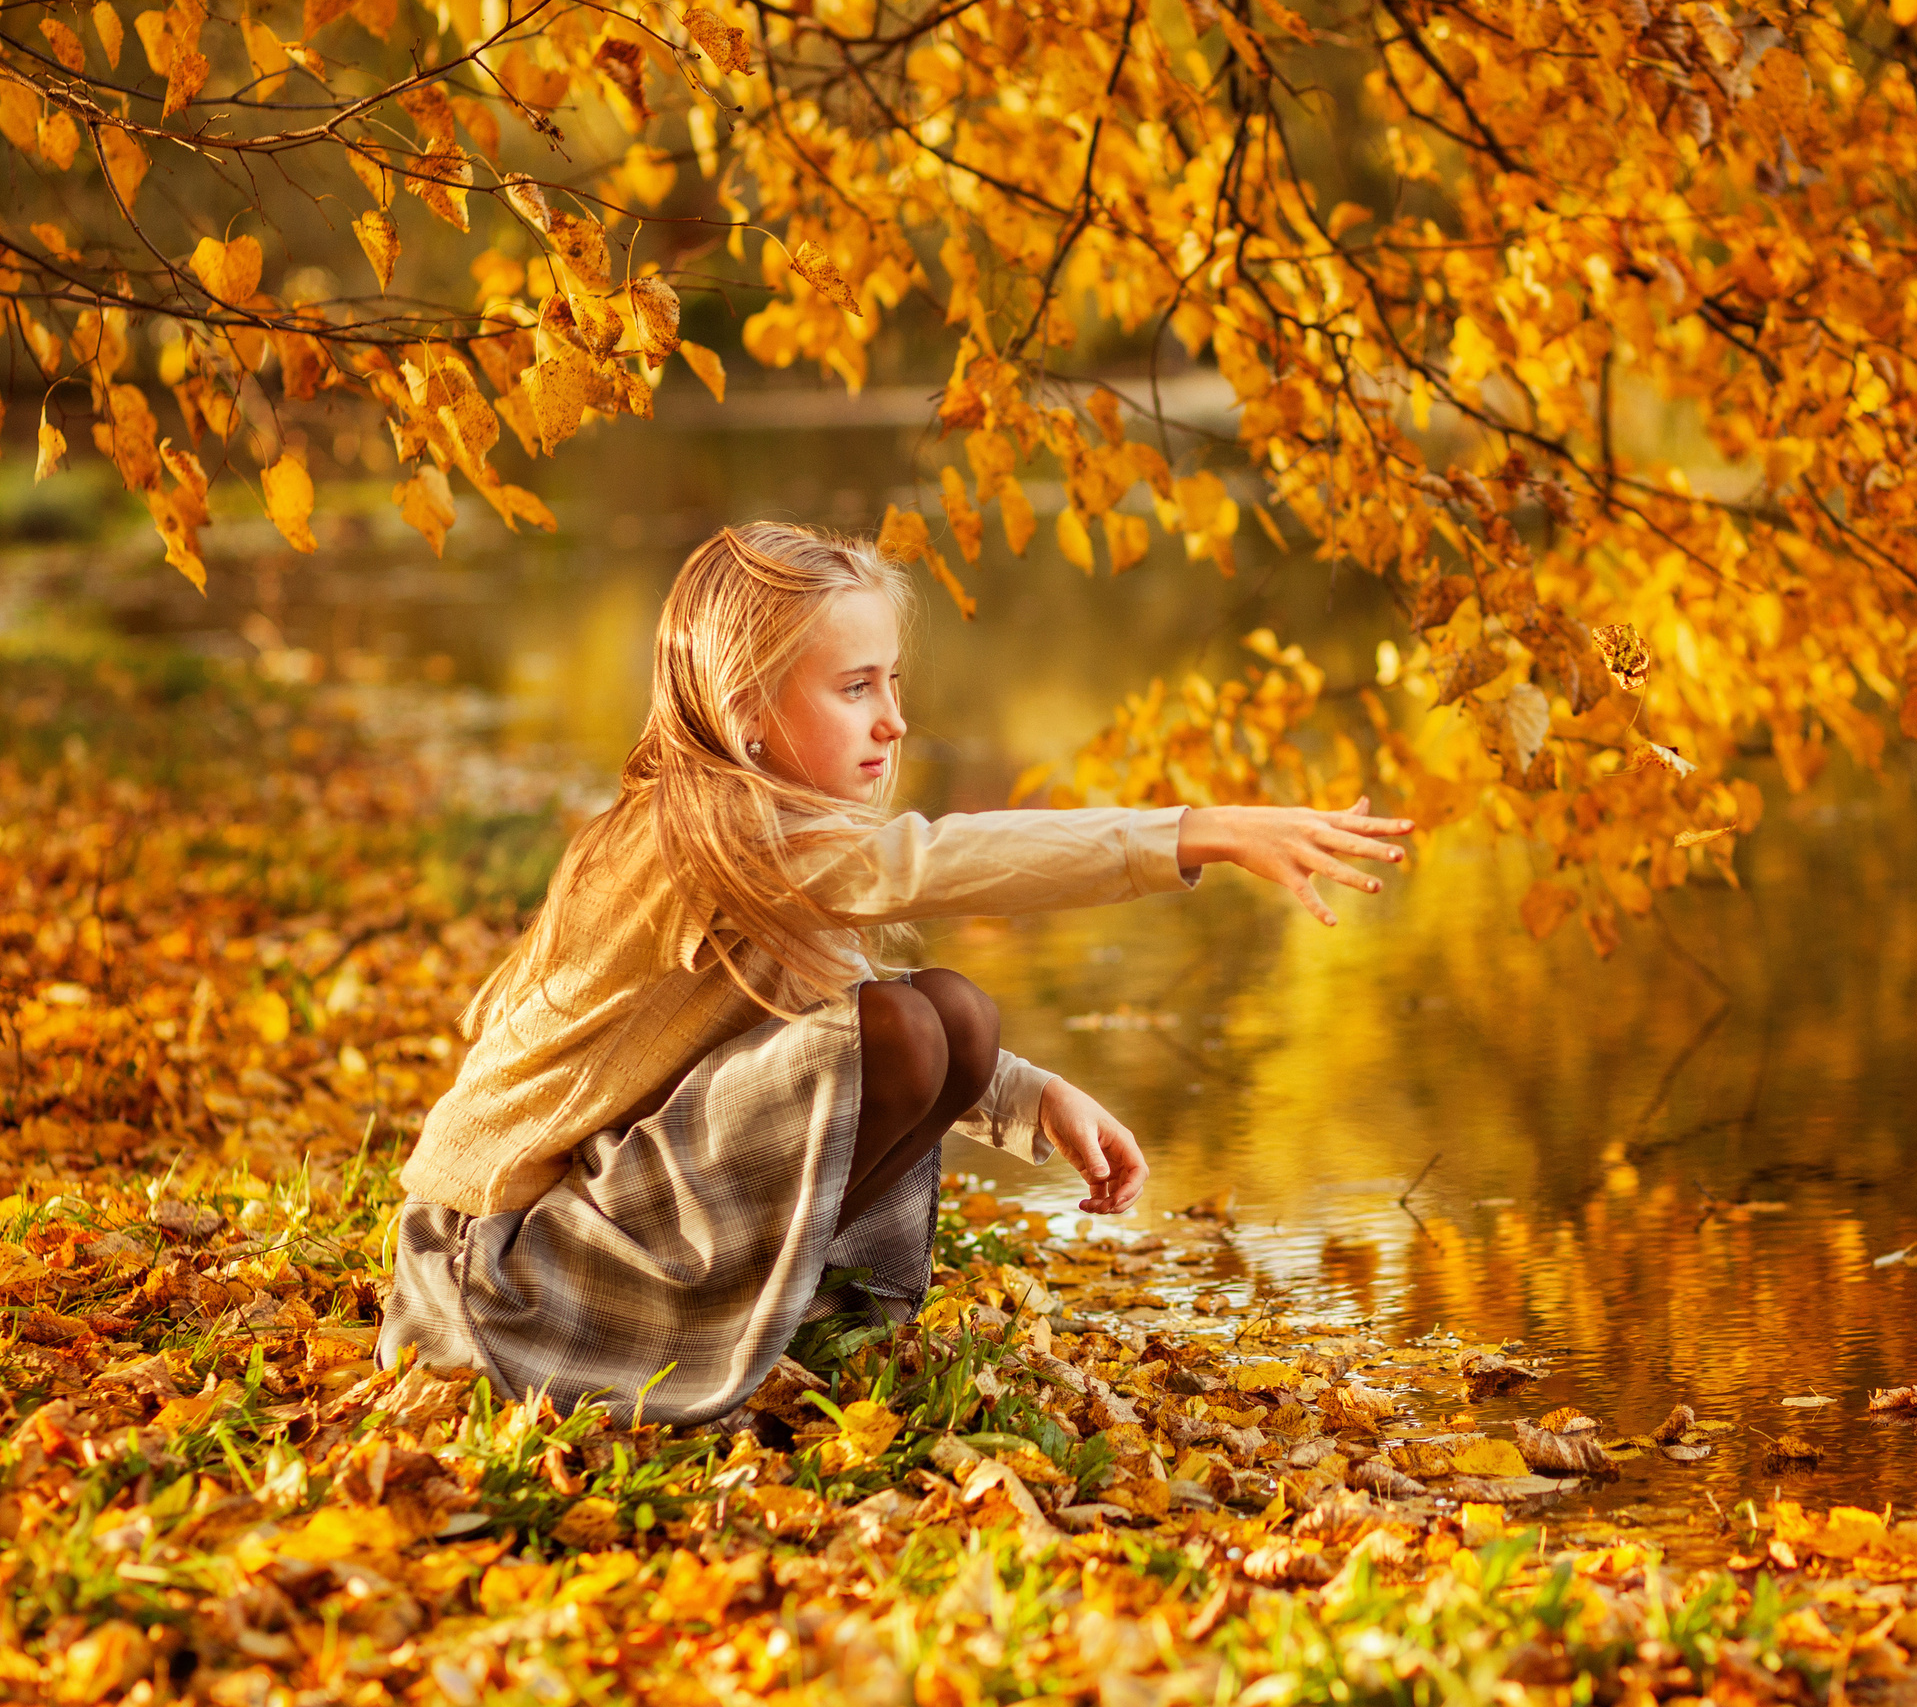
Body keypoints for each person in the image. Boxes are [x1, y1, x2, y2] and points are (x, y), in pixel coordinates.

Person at [377, 522, 1411, 1427]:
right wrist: (1196, 831)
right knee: (912, 1023)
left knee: (942, 1012)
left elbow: (834, 997)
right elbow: (924, 866)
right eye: (855, 687)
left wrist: (1036, 1098)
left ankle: (788, 1323)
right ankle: (740, 1331)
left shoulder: (757, 832)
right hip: (495, 1276)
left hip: (579, 1225)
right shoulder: (694, 830)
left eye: (893, 682)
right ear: (745, 708)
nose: (893, 721)